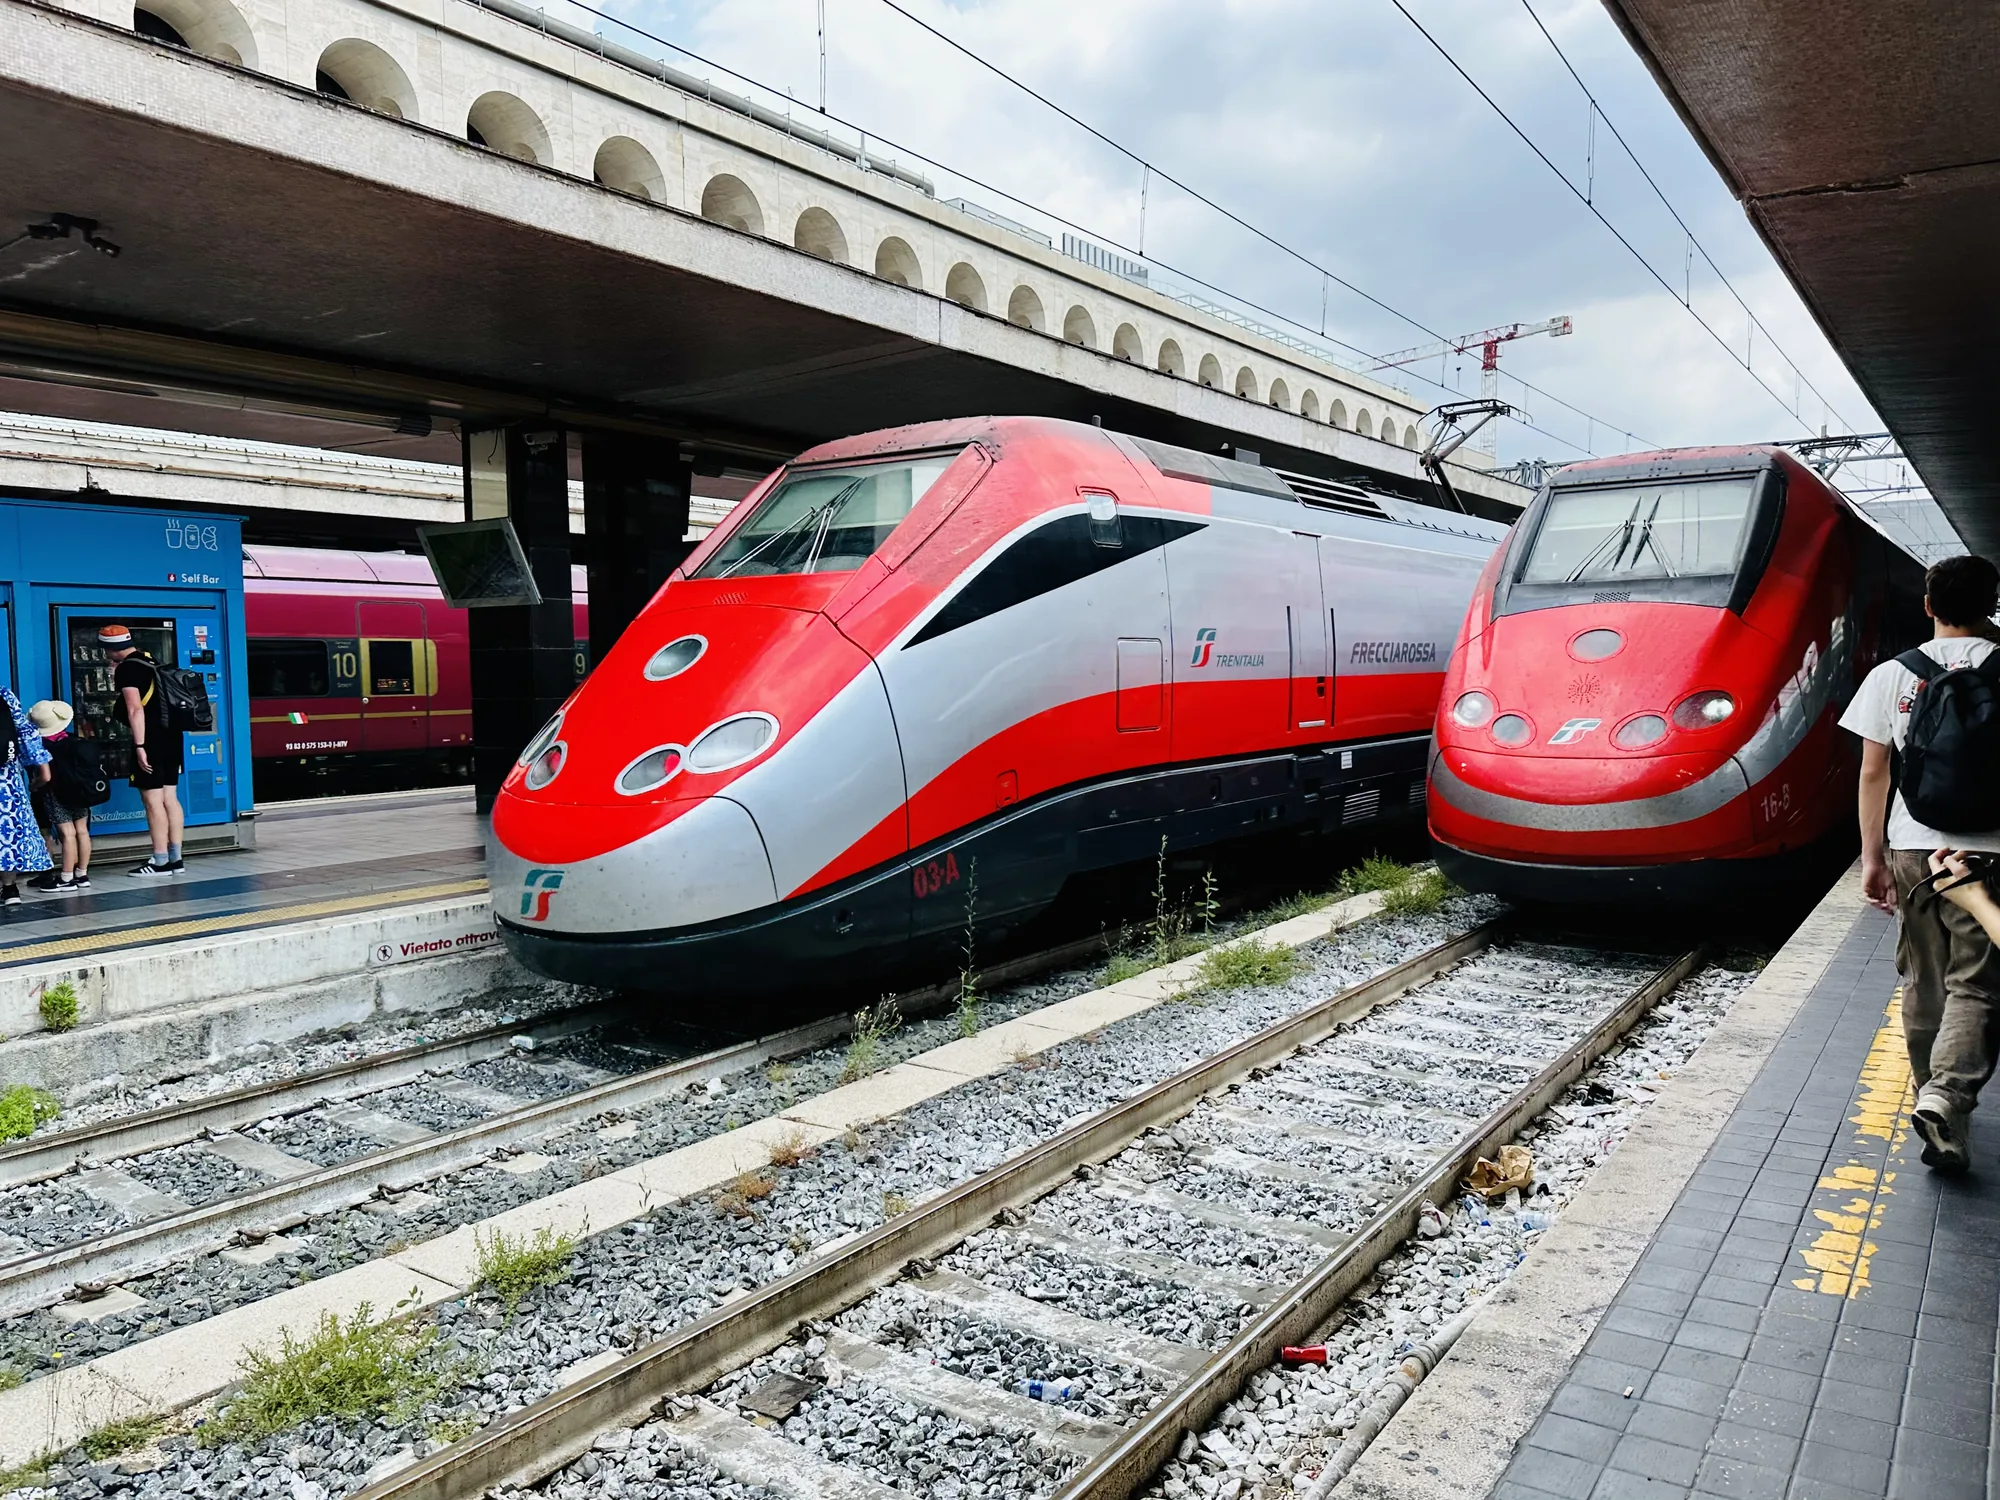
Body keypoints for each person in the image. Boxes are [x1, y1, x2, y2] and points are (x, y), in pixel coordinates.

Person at [1838, 554, 2000, 1171]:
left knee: (1923, 980)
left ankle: (1932, 1103)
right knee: (1977, 984)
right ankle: (1947, 1098)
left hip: (1914, 846)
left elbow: (1874, 771)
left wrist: (1871, 856)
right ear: (1990, 604)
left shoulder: (1891, 675)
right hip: (1989, 850)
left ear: (1928, 605)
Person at [100, 624, 183, 877]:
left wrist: (139, 746)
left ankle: (159, 861)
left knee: (152, 801)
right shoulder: (151, 660)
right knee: (170, 798)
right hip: (172, 737)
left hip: (151, 740)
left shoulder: (127, 669)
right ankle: (176, 859)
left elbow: (135, 709)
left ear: (111, 649)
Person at [28, 700, 92, 893]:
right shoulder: (73, 740)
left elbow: (44, 777)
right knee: (81, 831)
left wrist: (34, 786)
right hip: (80, 792)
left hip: (57, 794)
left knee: (67, 833)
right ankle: (82, 874)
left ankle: (66, 878)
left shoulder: (43, 746)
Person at [0, 687, 54, 905]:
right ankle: (10, 888)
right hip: (7, 779)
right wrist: (42, 765)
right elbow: (24, 730)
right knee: (7, 833)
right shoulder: (4, 695)